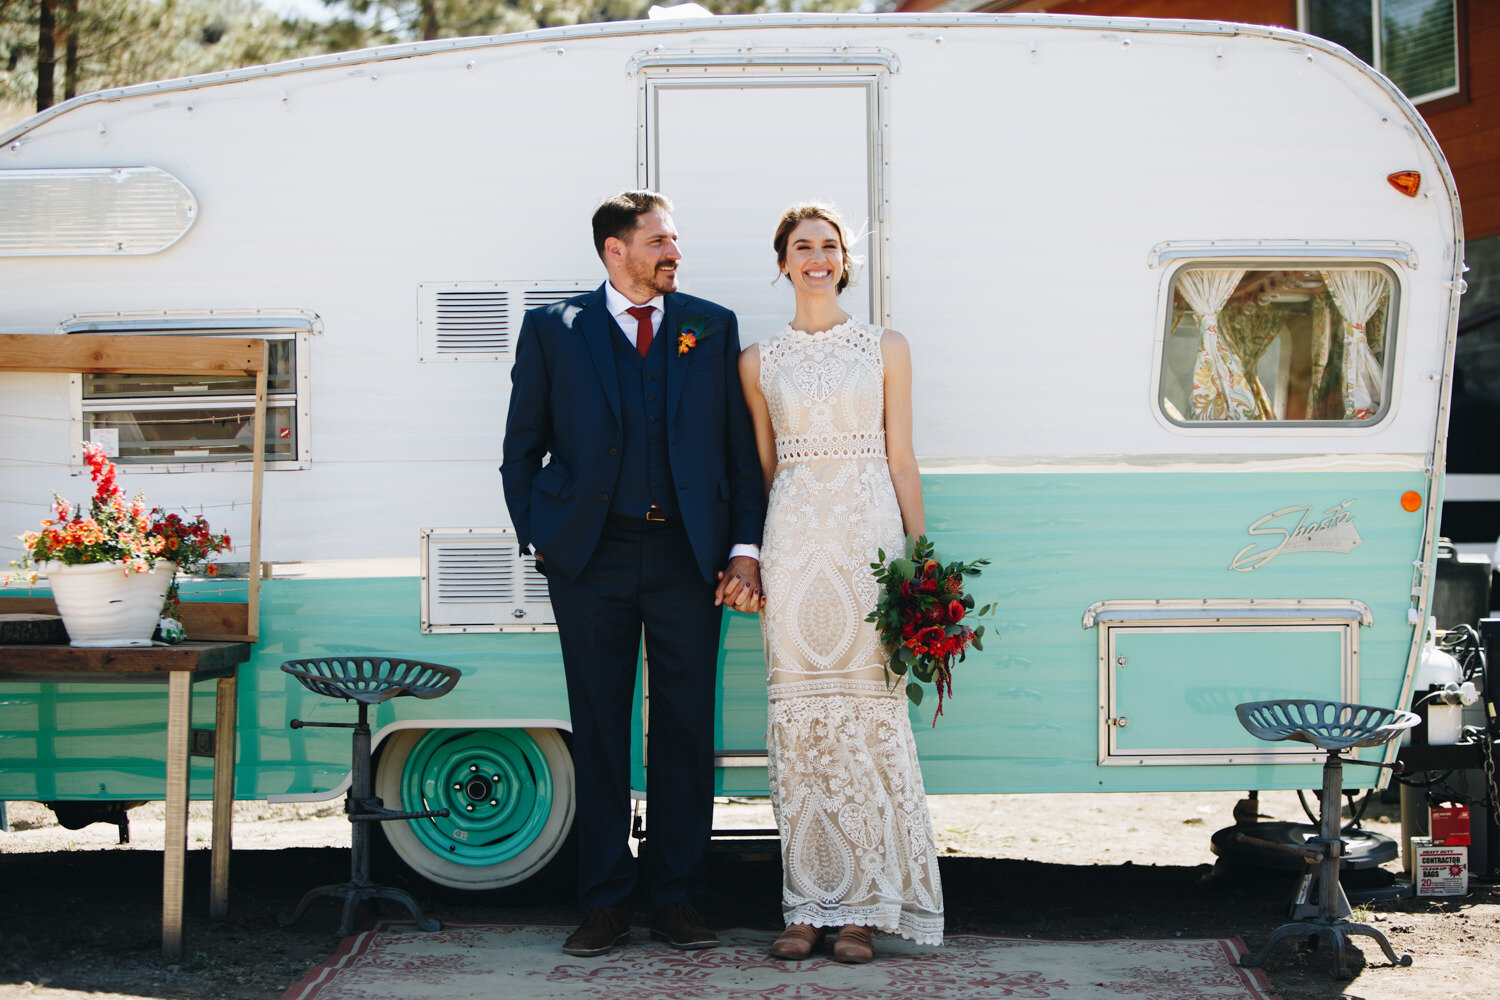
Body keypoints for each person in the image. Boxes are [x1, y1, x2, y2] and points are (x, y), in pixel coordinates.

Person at [501, 190, 767, 958]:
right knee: (599, 730)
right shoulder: (555, 329)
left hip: (690, 559)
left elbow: (737, 454)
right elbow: (521, 446)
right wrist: (540, 539)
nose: (673, 251)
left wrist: (744, 546)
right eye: (659, 240)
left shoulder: (710, 326)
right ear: (614, 249)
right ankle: (605, 902)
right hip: (589, 559)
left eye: (675, 238)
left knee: (684, 730)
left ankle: (678, 898)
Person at [738, 202, 944, 964]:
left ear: (845, 261)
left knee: (866, 723)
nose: (817, 257)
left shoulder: (886, 347)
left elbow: (902, 458)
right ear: (783, 262)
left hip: (867, 546)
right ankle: (807, 906)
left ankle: (864, 910)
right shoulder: (758, 361)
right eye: (802, 246)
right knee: (802, 730)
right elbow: (763, 469)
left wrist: (921, 561)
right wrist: (754, 556)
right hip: (794, 546)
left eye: (829, 246)